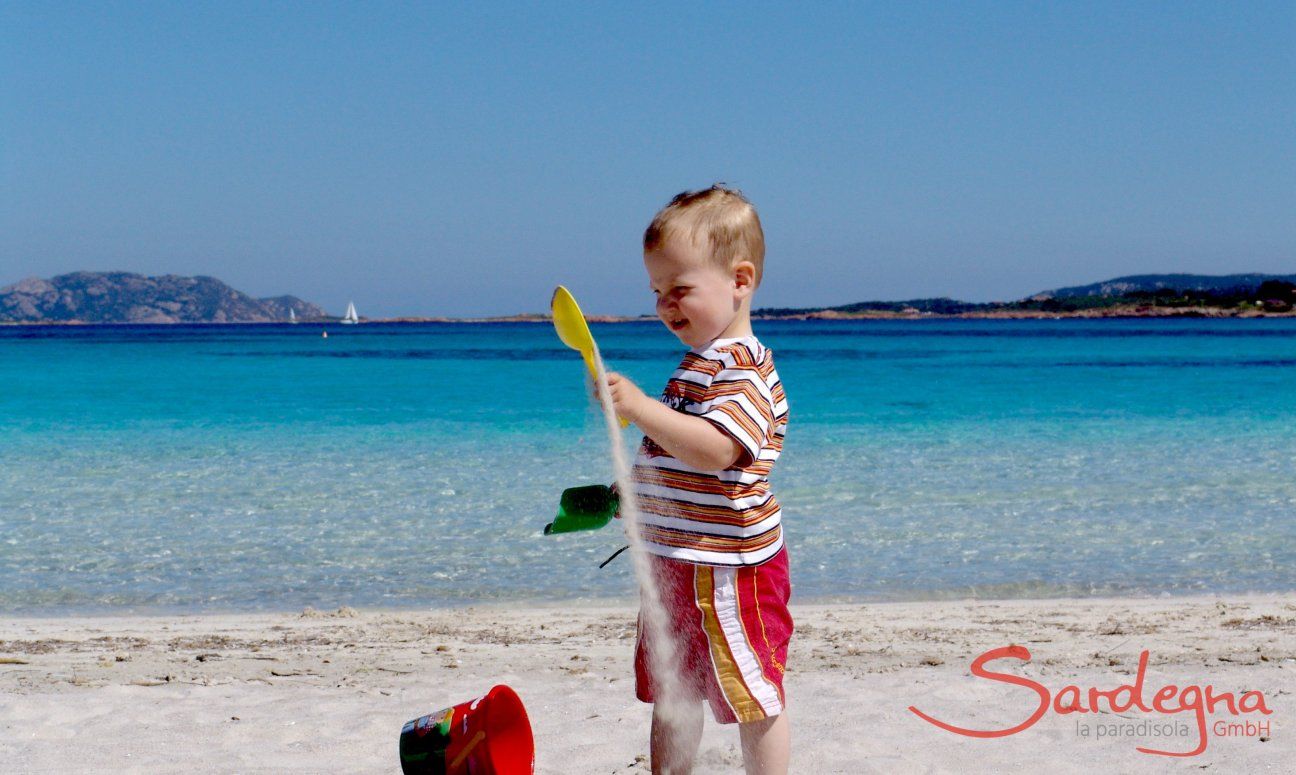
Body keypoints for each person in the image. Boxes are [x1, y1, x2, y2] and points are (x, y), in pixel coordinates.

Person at [599, 184, 792, 775]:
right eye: (657, 292)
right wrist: (632, 496)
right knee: (673, 690)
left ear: (741, 280)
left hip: (728, 568)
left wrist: (635, 406)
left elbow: (715, 450)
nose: (665, 305)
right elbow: (677, 453)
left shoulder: (743, 368)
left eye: (679, 288)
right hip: (674, 560)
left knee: (752, 694)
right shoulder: (698, 363)